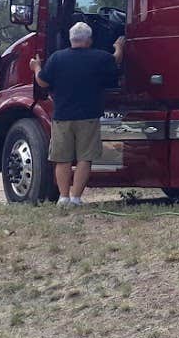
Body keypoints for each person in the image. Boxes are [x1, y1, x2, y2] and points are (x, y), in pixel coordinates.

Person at [30, 22, 124, 206]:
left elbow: (42, 82)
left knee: (62, 158)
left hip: (62, 117)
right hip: (88, 117)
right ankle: (76, 198)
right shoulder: (99, 57)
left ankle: (63, 198)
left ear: (71, 39)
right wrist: (119, 46)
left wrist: (36, 67)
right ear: (89, 40)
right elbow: (116, 60)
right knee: (84, 158)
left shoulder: (57, 58)